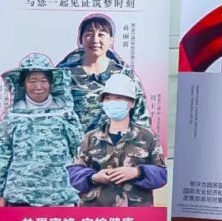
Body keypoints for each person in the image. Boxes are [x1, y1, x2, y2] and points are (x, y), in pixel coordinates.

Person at [0, 53, 82, 207]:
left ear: (51, 83)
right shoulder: (12, 117)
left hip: (61, 198)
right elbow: (1, 155)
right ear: (23, 84)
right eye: (32, 81)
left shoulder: (65, 114)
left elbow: (78, 150)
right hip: (20, 198)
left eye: (43, 81)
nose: (38, 87)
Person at [67, 74, 167, 207]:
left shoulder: (146, 136)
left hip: (135, 214)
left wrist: (138, 172)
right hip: (96, 213)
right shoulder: (90, 137)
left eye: (119, 98)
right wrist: (93, 178)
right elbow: (73, 173)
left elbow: (161, 174)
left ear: (132, 103)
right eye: (108, 99)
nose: (112, 103)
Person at [57, 14, 149, 134]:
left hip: (115, 144)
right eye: (89, 34)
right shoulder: (63, 75)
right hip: (75, 144)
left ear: (111, 40)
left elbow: (141, 119)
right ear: (80, 40)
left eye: (101, 34)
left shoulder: (125, 75)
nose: (95, 40)